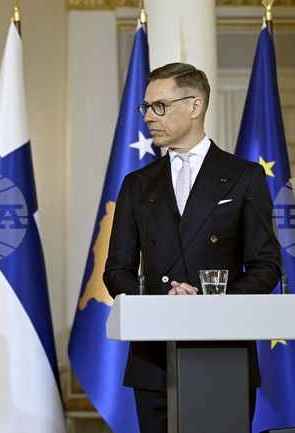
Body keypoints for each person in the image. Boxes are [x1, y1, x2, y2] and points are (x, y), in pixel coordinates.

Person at [103, 62, 281, 433]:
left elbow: (266, 265)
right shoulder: (137, 184)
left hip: (224, 353)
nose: (148, 117)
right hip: (153, 357)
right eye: (146, 107)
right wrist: (158, 305)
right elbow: (117, 269)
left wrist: (209, 303)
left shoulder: (244, 177)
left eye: (159, 106)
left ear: (195, 106)